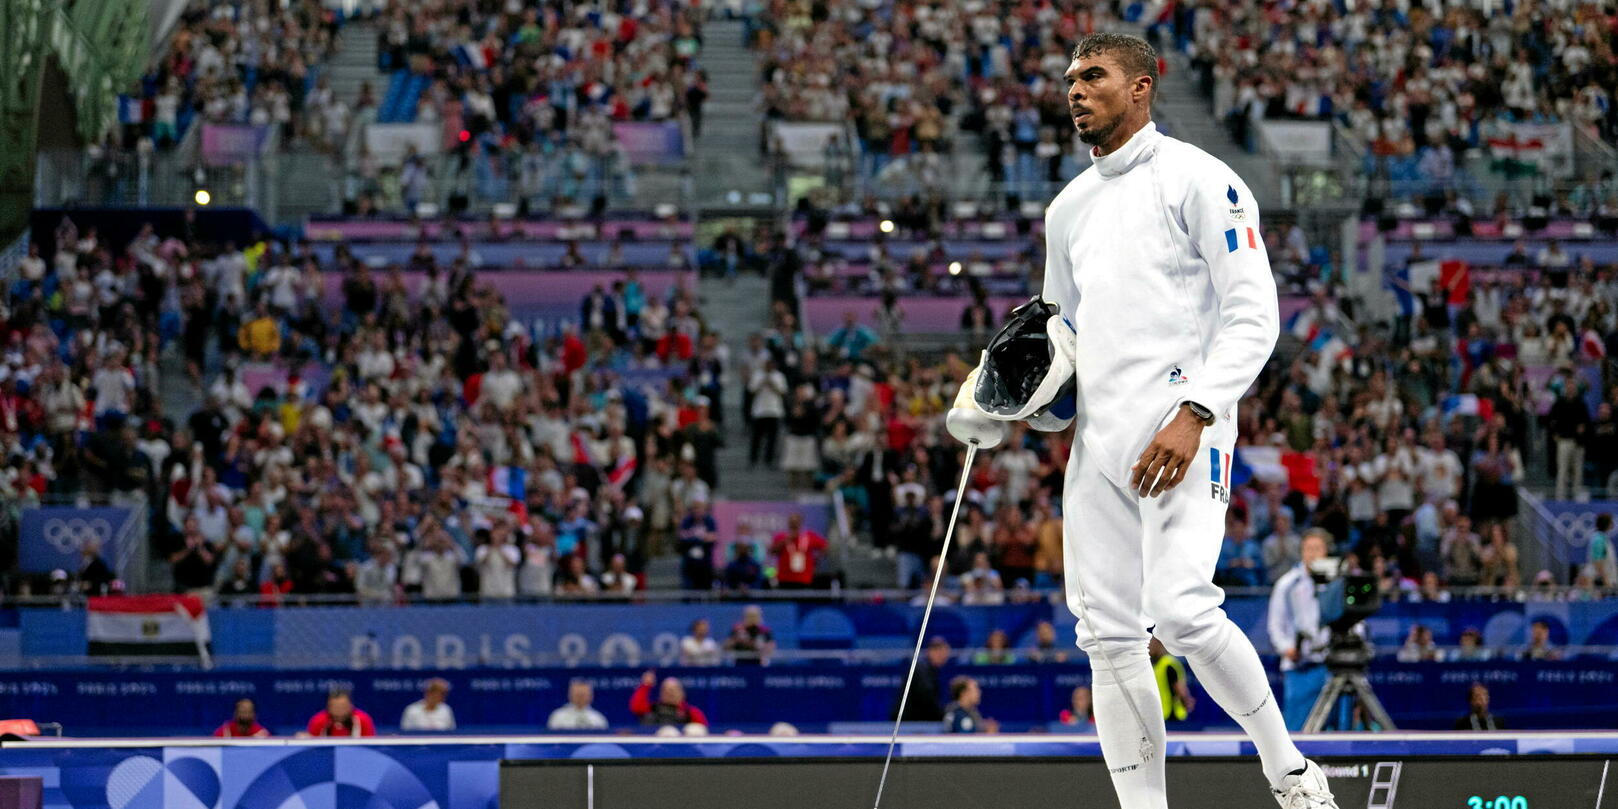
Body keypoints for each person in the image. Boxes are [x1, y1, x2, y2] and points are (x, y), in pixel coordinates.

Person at [944, 33, 1332, 806]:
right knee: (1107, 637)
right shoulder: (1068, 210)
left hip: (1184, 427)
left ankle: (1291, 772)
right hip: (1100, 446)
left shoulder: (1199, 179)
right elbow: (1060, 339)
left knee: (1183, 608)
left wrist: (1195, 413)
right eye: (1069, 79)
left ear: (1143, 87)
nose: (1076, 90)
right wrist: (998, 397)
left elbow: (1256, 317)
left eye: (1094, 76)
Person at [1268, 530, 1333, 730]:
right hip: (1299, 668)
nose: (1313, 554)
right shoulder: (1287, 584)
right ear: (1302, 552)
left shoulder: (1337, 582)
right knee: (1298, 729)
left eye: (1318, 549)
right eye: (1308, 549)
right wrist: (1287, 648)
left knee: (1337, 729)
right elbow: (1275, 625)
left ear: (1327, 552)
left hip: (1331, 666)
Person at [893, 637, 950, 722]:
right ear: (932, 652)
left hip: (917, 719)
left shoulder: (931, 671)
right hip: (909, 722)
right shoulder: (921, 670)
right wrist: (942, 715)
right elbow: (927, 699)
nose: (945, 658)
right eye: (942, 654)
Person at [629, 671, 709, 728]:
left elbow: (703, 732)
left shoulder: (691, 713)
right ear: (660, 694)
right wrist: (645, 685)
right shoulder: (652, 709)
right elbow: (636, 707)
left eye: (673, 690)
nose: (670, 693)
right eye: (666, 690)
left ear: (682, 693)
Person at [770, 512, 827, 589]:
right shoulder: (781, 536)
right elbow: (772, 551)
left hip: (804, 578)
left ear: (800, 522)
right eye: (792, 522)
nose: (794, 524)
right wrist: (786, 541)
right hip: (785, 578)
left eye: (796, 522)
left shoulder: (808, 536)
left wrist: (816, 559)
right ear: (789, 522)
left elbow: (825, 546)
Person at [1150, 638, 1195, 723]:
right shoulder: (1157, 664)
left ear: (1161, 645)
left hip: (1172, 714)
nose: (1149, 648)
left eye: (1152, 645)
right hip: (1161, 714)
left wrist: (1186, 700)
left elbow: (1179, 686)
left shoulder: (1169, 664)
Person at [306, 689, 377, 737]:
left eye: (343, 706)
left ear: (351, 706)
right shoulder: (318, 720)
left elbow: (370, 745)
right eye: (336, 707)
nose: (339, 710)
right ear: (328, 707)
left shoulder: (364, 720)